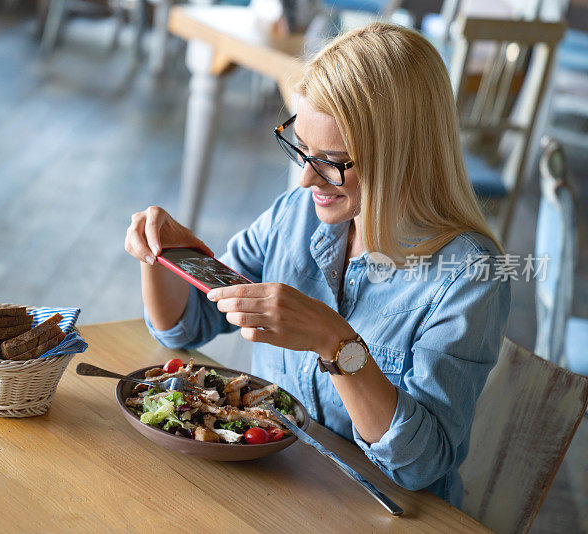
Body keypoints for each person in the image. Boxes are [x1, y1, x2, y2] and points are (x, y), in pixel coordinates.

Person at [124, 22, 510, 507]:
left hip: (378, 509)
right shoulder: (296, 216)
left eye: (332, 160)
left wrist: (337, 343)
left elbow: (420, 465)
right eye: (302, 146)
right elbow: (185, 328)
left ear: (401, 159)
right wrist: (163, 255)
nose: (307, 177)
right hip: (278, 486)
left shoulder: (469, 276)